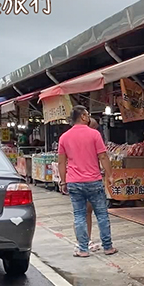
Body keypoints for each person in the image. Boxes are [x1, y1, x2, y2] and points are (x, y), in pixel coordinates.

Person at [58, 106, 117, 257]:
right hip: (94, 180)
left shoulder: (64, 137)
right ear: (83, 116)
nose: (89, 117)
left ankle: (83, 249)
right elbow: (103, 157)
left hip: (74, 181)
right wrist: (110, 175)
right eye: (88, 114)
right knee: (102, 215)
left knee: (79, 215)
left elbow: (61, 163)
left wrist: (63, 181)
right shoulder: (94, 134)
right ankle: (108, 247)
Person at [85, 117, 103, 251]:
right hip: (90, 179)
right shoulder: (93, 137)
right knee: (94, 212)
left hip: (75, 180)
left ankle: (84, 242)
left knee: (82, 213)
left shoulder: (68, 136)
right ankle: (87, 241)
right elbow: (102, 156)